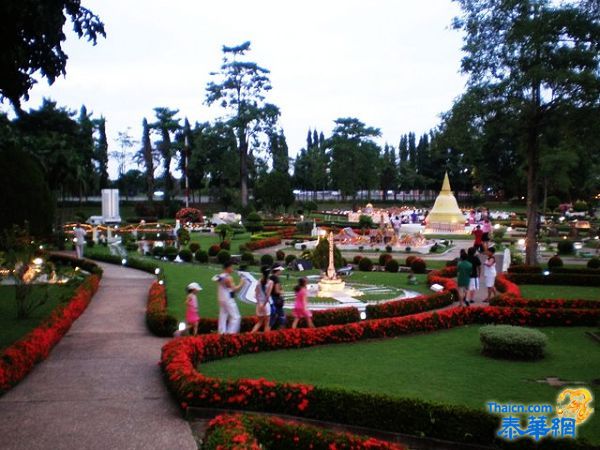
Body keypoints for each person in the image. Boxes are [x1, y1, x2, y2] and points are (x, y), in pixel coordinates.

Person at [215, 261, 245, 334]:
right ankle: (230, 333)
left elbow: (216, 279)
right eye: (231, 267)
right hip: (228, 299)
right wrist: (242, 282)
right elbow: (235, 289)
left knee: (223, 315)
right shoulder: (228, 278)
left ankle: (221, 332)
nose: (232, 269)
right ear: (228, 267)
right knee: (236, 317)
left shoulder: (220, 276)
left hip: (221, 298)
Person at [251, 266, 273, 333]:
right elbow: (268, 296)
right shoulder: (270, 282)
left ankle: (250, 335)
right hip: (265, 304)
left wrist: (259, 304)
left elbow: (256, 294)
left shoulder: (258, 282)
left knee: (259, 322)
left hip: (259, 304)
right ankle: (266, 339)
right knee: (267, 323)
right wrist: (263, 305)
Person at [269, 265, 286, 330]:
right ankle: (281, 332)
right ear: (278, 270)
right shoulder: (276, 278)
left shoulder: (270, 277)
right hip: (276, 299)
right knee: (282, 317)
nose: (281, 271)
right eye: (280, 270)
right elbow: (276, 291)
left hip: (271, 299)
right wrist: (281, 292)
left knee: (273, 316)